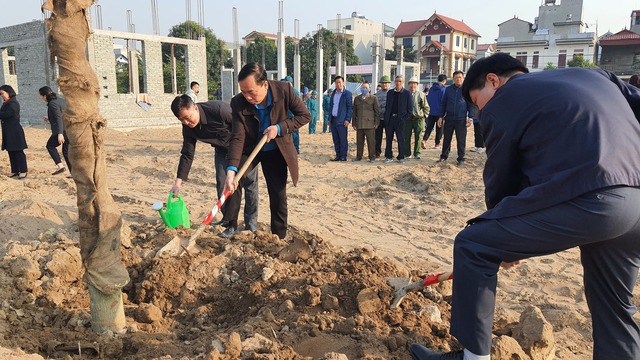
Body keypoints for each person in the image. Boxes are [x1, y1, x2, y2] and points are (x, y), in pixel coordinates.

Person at [409, 53, 640, 360]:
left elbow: (501, 178)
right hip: (635, 202)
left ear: (494, 80)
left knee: (474, 243)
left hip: (592, 199)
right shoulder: (597, 76)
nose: (480, 113)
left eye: (478, 103)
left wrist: (501, 239)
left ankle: (472, 358)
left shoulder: (506, 98)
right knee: (613, 306)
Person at [225, 63, 310, 239]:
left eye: (251, 92)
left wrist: (279, 128)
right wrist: (231, 170)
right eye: (243, 92)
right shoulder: (238, 102)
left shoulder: (284, 90)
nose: (247, 97)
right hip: (250, 148)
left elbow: (304, 116)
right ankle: (230, 226)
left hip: (276, 150)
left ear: (264, 84)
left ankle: (279, 235)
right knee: (234, 183)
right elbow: (238, 137)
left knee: (278, 193)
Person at [170, 95, 259, 237]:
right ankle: (231, 224)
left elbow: (244, 124)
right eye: (182, 120)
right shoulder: (188, 128)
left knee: (249, 183)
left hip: (244, 147)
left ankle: (251, 224)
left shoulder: (219, 110)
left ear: (194, 107)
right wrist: (178, 183)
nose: (186, 122)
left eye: (188, 117)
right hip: (222, 150)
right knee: (224, 183)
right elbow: (187, 154)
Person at [437, 71, 472, 166]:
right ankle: (444, 156)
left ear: (463, 78)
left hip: (461, 119)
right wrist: (441, 116)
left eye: (460, 77)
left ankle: (461, 158)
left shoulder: (466, 90)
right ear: (453, 79)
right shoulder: (448, 90)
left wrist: (470, 118)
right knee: (447, 138)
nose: (458, 79)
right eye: (456, 77)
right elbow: (443, 103)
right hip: (449, 118)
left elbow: (470, 104)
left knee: (461, 140)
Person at [39, 86, 71, 175]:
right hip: (68, 129)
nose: (41, 98)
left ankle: (60, 166)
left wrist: (60, 133)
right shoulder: (61, 100)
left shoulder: (52, 103)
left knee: (50, 146)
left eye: (41, 96)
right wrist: (49, 118)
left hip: (61, 130)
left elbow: (58, 118)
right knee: (66, 152)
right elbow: (61, 114)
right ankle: (74, 174)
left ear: (45, 96)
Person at [0, 85, 28, 179]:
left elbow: (7, 114)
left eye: (2, 93)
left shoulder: (13, 103)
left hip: (15, 131)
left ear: (8, 92)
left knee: (18, 151)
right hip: (8, 131)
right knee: (11, 151)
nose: (2, 96)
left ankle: (23, 170)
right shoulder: (6, 103)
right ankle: (15, 170)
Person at [383, 75, 413, 163]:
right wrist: (386, 118)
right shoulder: (390, 93)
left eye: (400, 81)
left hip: (401, 120)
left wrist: (405, 119)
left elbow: (410, 109)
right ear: (394, 82)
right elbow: (387, 106)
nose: (398, 83)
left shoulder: (407, 93)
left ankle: (401, 157)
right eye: (396, 81)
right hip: (390, 119)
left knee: (401, 139)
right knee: (389, 138)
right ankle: (389, 156)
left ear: (403, 82)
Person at [351, 83, 379, 162]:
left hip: (370, 124)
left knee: (371, 142)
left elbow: (377, 111)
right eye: (363, 87)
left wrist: (376, 122)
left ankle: (372, 157)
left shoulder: (373, 98)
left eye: (366, 87)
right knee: (359, 142)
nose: (364, 89)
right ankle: (359, 156)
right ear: (360, 89)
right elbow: (354, 112)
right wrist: (354, 123)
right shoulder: (357, 98)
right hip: (359, 124)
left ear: (369, 89)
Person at [329, 75, 352, 162]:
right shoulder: (334, 93)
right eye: (336, 83)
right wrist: (329, 119)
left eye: (339, 82)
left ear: (343, 83)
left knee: (343, 139)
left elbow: (350, 108)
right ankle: (338, 155)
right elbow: (331, 106)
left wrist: (347, 119)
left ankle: (343, 156)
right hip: (333, 120)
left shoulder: (347, 94)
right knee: (335, 139)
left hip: (342, 121)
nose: (338, 84)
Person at [405, 76, 429, 159]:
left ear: (417, 85)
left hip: (418, 119)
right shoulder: (405, 94)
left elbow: (426, 107)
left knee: (418, 137)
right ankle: (407, 153)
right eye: (411, 83)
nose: (412, 85)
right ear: (408, 84)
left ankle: (417, 153)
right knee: (406, 136)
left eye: (414, 83)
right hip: (407, 119)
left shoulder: (421, 94)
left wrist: (424, 116)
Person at [423, 74, 447, 150]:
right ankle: (437, 143)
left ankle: (424, 140)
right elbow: (444, 101)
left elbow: (429, 99)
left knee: (429, 127)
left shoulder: (432, 89)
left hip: (431, 111)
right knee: (439, 128)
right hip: (439, 112)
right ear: (444, 81)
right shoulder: (443, 89)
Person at [281, 76, 301, 154]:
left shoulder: (293, 91)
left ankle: (296, 149)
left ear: (289, 82)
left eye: (286, 82)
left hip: (293, 115)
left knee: (294, 133)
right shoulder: (287, 90)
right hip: (287, 115)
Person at [375, 75, 391, 158]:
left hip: (389, 119)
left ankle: (388, 152)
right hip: (379, 118)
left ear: (389, 84)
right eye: (383, 83)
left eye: (386, 83)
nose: (384, 85)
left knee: (389, 136)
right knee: (378, 137)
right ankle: (377, 152)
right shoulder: (377, 94)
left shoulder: (392, 92)